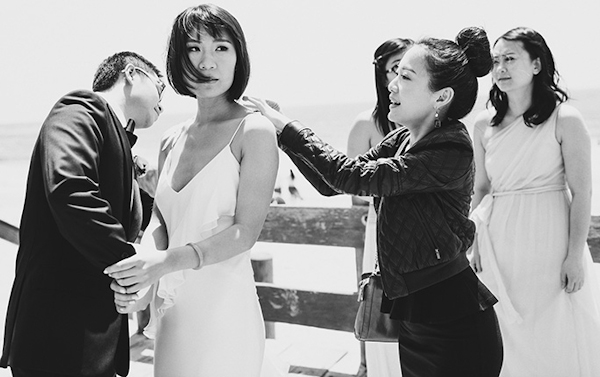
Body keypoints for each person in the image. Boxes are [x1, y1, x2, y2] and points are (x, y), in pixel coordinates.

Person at [247, 26, 503, 377]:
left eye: (406, 77)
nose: (391, 85)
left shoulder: (451, 148)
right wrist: (281, 135)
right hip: (416, 322)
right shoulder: (402, 138)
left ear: (441, 96)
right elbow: (332, 184)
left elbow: (347, 173)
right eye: (394, 74)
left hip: (455, 327)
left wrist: (287, 125)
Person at [103, 4, 280, 377]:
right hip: (173, 313)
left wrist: (164, 262)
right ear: (178, 59)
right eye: (193, 49)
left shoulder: (255, 131)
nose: (206, 62)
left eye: (221, 48)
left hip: (225, 311)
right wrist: (143, 268)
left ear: (238, 56)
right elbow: (161, 219)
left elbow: (243, 233)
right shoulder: (171, 139)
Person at [0, 51, 165, 377]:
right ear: (131, 74)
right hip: (58, 336)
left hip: (89, 340)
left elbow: (125, 221)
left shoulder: (117, 139)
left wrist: (148, 194)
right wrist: (130, 264)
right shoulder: (79, 109)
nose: (163, 104)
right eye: (159, 90)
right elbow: (69, 189)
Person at [469, 26, 600, 376]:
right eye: (496, 61)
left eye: (510, 59)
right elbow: (481, 188)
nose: (500, 69)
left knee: (555, 327)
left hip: (550, 237)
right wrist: (472, 240)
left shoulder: (565, 118)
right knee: (506, 333)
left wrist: (574, 255)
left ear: (537, 64)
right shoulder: (484, 125)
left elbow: (582, 191)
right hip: (498, 239)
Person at [346, 37, 413, 377]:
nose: (402, 75)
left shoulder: (433, 121)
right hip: (383, 229)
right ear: (382, 76)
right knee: (382, 313)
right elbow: (351, 188)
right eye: (394, 68)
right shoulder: (366, 124)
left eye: (410, 67)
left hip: (428, 233)